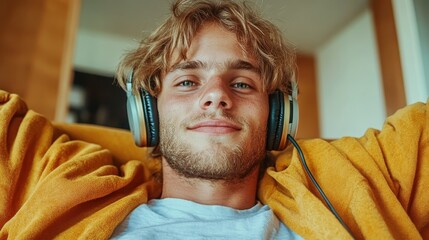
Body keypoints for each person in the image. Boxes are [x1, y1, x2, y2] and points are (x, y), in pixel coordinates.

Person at [0, 0, 427, 239]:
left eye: (242, 83)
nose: (216, 97)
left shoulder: (350, 190)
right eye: (187, 82)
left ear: (278, 116)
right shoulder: (60, 186)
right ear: (147, 112)